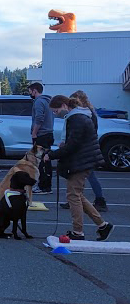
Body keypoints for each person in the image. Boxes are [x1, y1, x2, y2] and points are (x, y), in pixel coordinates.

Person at [44, 95, 113, 241]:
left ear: (63, 105)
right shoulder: (78, 116)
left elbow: (73, 145)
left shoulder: (76, 119)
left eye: (55, 110)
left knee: (72, 196)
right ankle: (103, 225)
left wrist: (52, 155)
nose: (55, 114)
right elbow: (74, 142)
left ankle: (78, 231)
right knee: (77, 195)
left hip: (81, 162)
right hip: (84, 160)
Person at [59, 90, 108, 211]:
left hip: (84, 150)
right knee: (79, 176)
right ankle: (75, 199)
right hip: (85, 148)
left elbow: (83, 133)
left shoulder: (84, 115)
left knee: (87, 175)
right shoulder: (85, 113)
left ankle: (100, 200)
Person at [28, 82, 53, 195]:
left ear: (35, 91)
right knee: (46, 161)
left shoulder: (38, 102)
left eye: (30, 91)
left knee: (41, 161)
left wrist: (34, 133)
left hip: (41, 135)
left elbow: (39, 118)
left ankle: (43, 187)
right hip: (48, 134)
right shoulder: (47, 101)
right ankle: (46, 185)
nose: (30, 94)